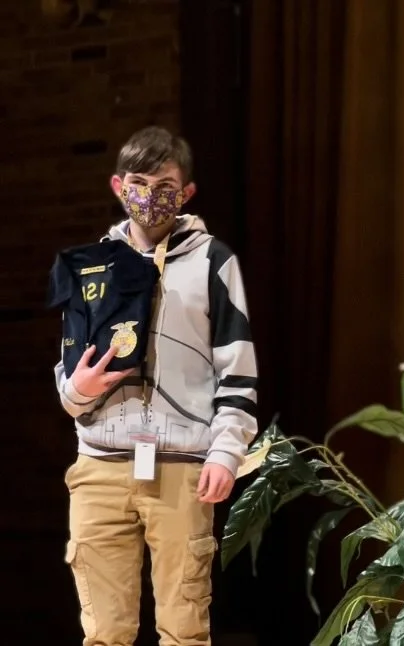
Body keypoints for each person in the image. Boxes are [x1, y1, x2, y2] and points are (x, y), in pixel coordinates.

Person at [51, 126, 259, 645]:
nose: (151, 196)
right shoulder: (91, 264)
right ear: (119, 187)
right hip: (100, 465)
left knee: (185, 630)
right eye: (139, 183)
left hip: (182, 466)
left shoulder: (214, 260)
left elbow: (237, 366)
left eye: (165, 183)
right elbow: (68, 375)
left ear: (185, 192)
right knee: (103, 633)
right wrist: (78, 389)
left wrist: (225, 453)